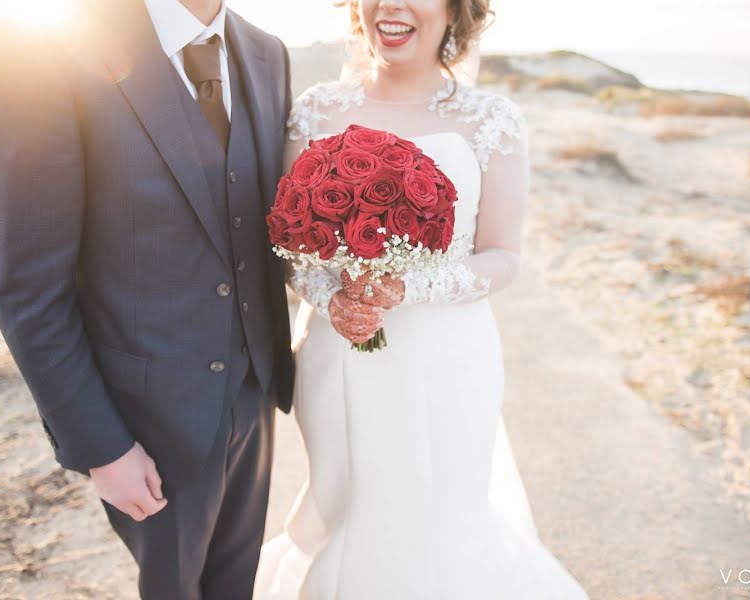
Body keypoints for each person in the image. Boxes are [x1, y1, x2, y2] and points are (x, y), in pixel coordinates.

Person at [252, 0, 590, 598]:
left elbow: (503, 256)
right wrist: (334, 296)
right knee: (345, 500)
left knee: (438, 511)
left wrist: (405, 287)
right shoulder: (315, 110)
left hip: (448, 357)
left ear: (458, 10)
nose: (392, 4)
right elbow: (290, 242)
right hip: (338, 351)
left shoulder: (491, 119)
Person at [0, 0, 293, 597]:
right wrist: (102, 447)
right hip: (143, 425)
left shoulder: (266, 52)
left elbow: (262, 223)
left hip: (255, 401)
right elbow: (29, 288)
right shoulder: (40, 43)